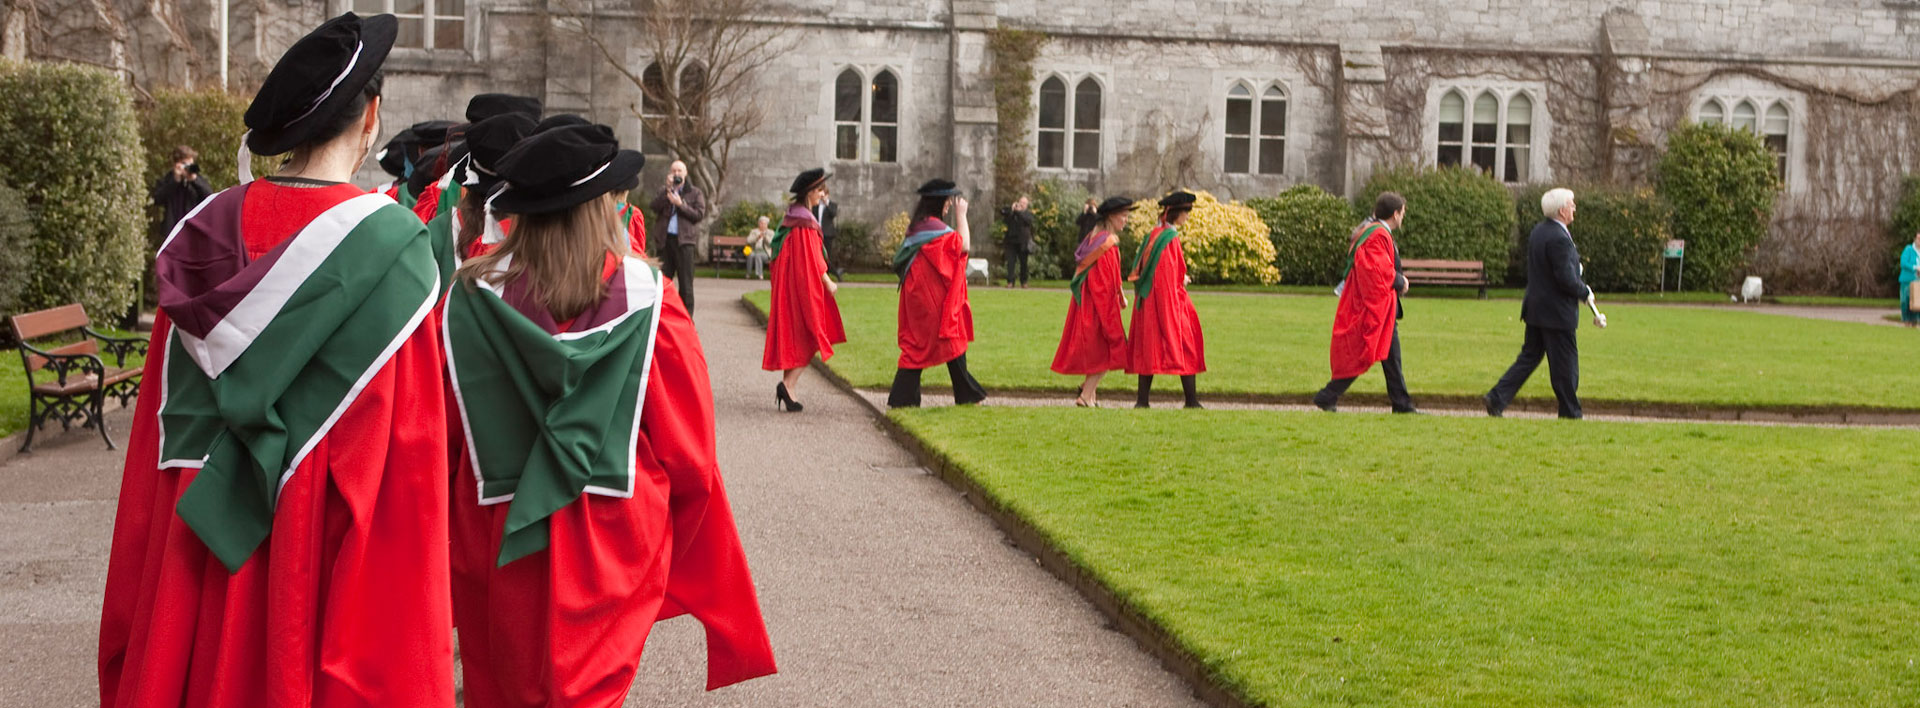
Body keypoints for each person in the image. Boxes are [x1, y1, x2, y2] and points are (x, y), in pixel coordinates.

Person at [99, 13, 458, 708]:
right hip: (311, 559)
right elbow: (401, 478)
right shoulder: (393, 250)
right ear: (371, 116)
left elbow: (152, 443)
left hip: (193, 549)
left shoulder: (198, 239)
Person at [445, 124, 776, 707]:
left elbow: (440, 441)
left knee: (499, 692)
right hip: (609, 538)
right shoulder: (653, 298)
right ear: (603, 206)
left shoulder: (465, 302)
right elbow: (692, 460)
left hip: (496, 540)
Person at [1485, 187, 1592, 419]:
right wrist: (1584, 291)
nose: (1574, 208)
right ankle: (1570, 411)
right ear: (1563, 210)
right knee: (1565, 364)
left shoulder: (1539, 231)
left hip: (1536, 308)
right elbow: (1564, 278)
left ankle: (1497, 397)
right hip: (1556, 312)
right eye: (1572, 204)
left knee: (1529, 357)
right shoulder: (1559, 238)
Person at [1313, 192, 1419, 413]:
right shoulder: (1377, 234)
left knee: (1391, 359)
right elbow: (1376, 270)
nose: (1403, 217)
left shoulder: (1375, 232)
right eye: (1402, 212)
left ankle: (1402, 404)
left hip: (1386, 308)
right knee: (1364, 352)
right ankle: (1327, 395)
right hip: (1376, 307)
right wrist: (1400, 281)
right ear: (1395, 214)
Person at [888, 179, 988, 408]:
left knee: (923, 345)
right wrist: (962, 215)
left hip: (917, 297)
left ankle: (906, 399)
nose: (949, 206)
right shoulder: (933, 230)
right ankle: (904, 398)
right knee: (944, 339)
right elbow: (963, 246)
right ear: (937, 202)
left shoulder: (919, 228)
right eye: (947, 201)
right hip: (930, 299)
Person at [763, 168, 847, 412]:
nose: (822, 195)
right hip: (803, 288)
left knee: (797, 336)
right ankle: (787, 384)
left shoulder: (793, 217)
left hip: (791, 288)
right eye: (819, 191)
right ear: (809, 192)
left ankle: (789, 390)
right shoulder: (805, 223)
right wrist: (827, 281)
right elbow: (811, 256)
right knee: (813, 336)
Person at [1126, 190, 1207, 409]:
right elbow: (1165, 277)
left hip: (1149, 301)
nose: (1188, 216)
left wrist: (1181, 278)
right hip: (1165, 301)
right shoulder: (1168, 239)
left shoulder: (1154, 234)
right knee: (1186, 345)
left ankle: (1143, 401)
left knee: (1148, 349)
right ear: (1176, 213)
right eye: (1186, 212)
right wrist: (1180, 287)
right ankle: (1190, 401)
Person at [1051, 196, 1133, 407]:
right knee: (1108, 349)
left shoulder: (1094, 239)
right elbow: (1104, 280)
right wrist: (1113, 303)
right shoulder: (1107, 244)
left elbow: (1109, 275)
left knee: (1099, 351)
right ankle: (1086, 395)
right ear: (1112, 217)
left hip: (1087, 303)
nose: (1126, 220)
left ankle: (1091, 395)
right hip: (1098, 305)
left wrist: (1120, 292)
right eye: (1123, 216)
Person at [650, 159, 708, 312]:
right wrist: (667, 192)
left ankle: (687, 323)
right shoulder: (664, 190)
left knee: (686, 286)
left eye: (679, 171)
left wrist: (680, 204)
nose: (676, 174)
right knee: (662, 283)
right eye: (673, 171)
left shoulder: (695, 192)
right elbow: (654, 207)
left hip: (685, 243)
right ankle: (662, 320)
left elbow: (699, 215)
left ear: (685, 173)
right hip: (665, 241)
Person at [150, 145, 212, 236]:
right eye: (185, 164)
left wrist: (194, 181)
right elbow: (156, 199)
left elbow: (209, 197)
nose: (188, 168)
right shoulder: (168, 179)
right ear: (176, 164)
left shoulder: (198, 180)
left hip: (194, 230)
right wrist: (175, 181)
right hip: (172, 231)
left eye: (191, 164)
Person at [1000, 195, 1035, 288]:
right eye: (1021, 202)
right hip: (1011, 241)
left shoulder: (1028, 214)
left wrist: (1019, 212)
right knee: (1010, 263)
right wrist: (1012, 210)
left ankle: (1024, 282)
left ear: (1027, 205)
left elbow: (1028, 221)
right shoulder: (1012, 213)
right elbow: (1004, 215)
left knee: (1024, 263)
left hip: (1023, 242)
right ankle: (1010, 282)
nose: (1022, 204)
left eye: (1024, 203)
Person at [815, 193, 841, 279]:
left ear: (827, 195)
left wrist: (826, 203)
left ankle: (831, 274)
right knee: (818, 255)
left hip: (827, 234)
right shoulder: (816, 205)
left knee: (826, 256)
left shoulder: (832, 205)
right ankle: (833, 273)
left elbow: (833, 214)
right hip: (817, 233)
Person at [746, 214, 773, 279]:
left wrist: (765, 237)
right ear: (758, 224)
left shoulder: (770, 232)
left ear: (767, 225)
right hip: (754, 250)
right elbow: (748, 241)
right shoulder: (754, 231)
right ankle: (748, 274)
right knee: (750, 255)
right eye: (761, 223)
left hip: (765, 253)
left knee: (758, 255)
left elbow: (771, 244)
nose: (762, 225)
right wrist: (757, 238)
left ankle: (759, 274)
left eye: (764, 224)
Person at [1902, 231, 1919, 327]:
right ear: (1915, 239)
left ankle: (1914, 322)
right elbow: (1903, 263)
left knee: (1917, 303)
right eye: (1918, 238)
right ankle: (1906, 322)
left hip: (1918, 281)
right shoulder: (1908, 249)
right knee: (1906, 301)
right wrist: (1915, 267)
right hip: (1907, 280)